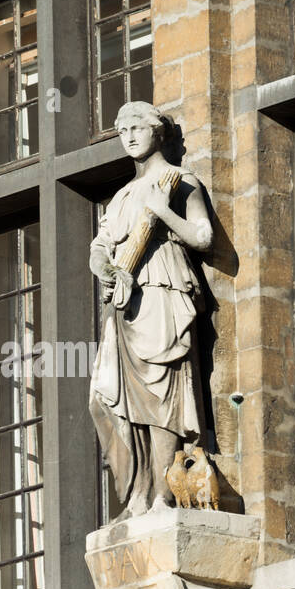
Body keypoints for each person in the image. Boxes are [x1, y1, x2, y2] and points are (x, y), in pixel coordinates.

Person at [89, 101, 214, 518]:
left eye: (137, 126)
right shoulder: (123, 195)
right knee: (122, 398)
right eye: (122, 129)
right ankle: (138, 491)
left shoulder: (179, 181)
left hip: (163, 289)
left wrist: (164, 213)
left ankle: (164, 491)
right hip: (126, 302)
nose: (129, 135)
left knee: (162, 392)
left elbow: (203, 236)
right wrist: (106, 269)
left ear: (157, 132)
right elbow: (100, 246)